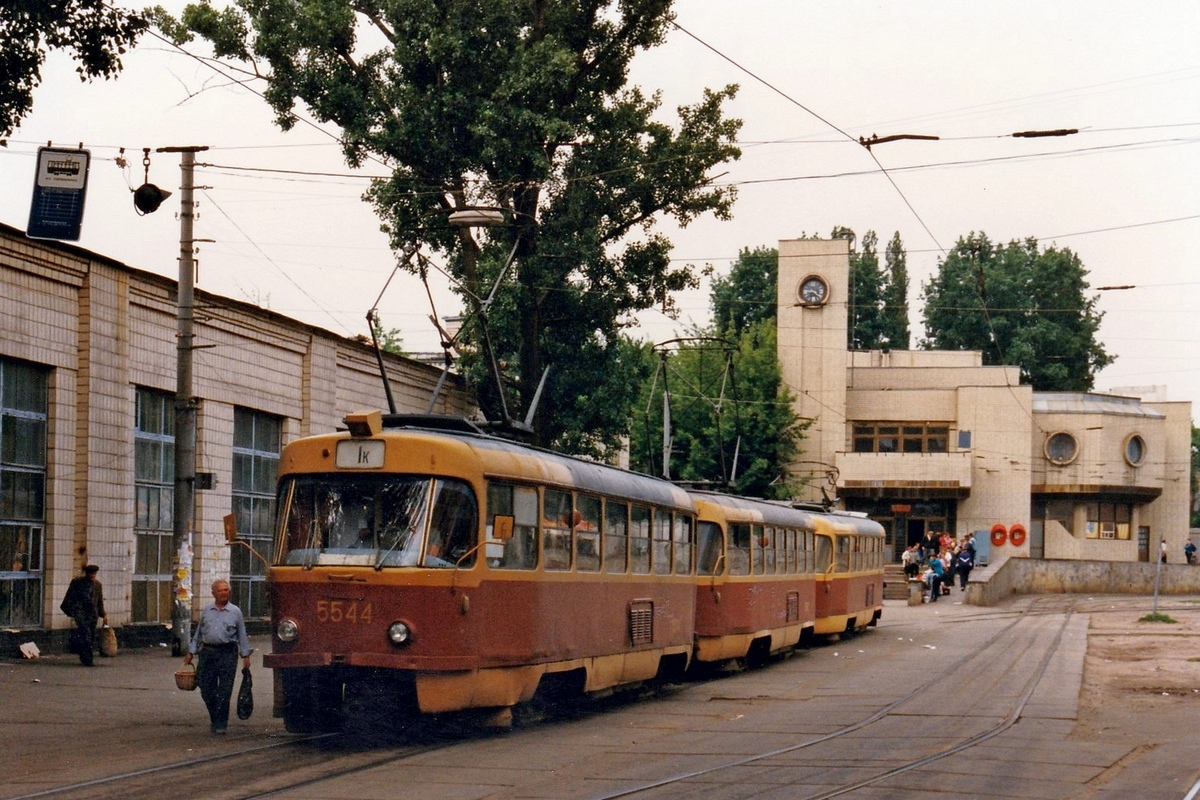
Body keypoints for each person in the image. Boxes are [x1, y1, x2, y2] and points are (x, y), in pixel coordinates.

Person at [182, 578, 252, 734]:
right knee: (206, 688)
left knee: (225, 690)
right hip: (208, 653)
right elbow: (199, 634)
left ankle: (220, 724)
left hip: (228, 653)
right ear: (213, 593)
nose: (224, 593)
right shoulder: (207, 611)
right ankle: (215, 716)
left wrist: (245, 655)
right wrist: (190, 653)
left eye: (226, 590)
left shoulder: (235, 612)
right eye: (220, 590)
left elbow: (242, 634)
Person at [60, 564, 108, 666]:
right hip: (81, 614)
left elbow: (99, 601)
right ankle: (88, 660)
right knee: (86, 634)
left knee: (91, 636)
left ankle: (84, 655)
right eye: (91, 573)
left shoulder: (98, 585)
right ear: (87, 573)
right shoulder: (77, 583)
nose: (93, 576)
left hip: (93, 614)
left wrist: (103, 614)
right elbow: (69, 597)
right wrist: (73, 611)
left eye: (94, 574)